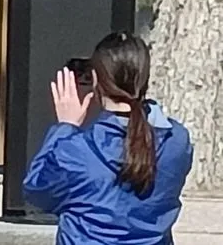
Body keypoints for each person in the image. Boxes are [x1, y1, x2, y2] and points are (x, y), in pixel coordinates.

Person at [23, 32, 192, 244]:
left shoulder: (76, 150)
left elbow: (37, 191)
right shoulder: (176, 141)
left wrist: (65, 127)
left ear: (95, 79)